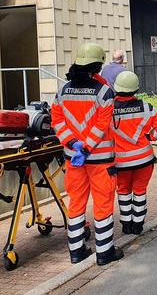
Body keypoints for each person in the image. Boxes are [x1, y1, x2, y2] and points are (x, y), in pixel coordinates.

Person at [52, 43, 123, 265]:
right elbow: (102, 126)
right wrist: (86, 147)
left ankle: (76, 252)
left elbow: (57, 122)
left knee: (76, 203)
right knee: (102, 203)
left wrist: (74, 144)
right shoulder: (104, 92)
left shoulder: (62, 91)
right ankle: (104, 252)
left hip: (73, 159)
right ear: (98, 66)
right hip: (100, 160)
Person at [110, 71, 157, 236]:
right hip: (143, 159)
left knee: (123, 191)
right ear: (136, 89)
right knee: (140, 190)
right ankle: (138, 225)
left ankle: (126, 225)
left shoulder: (108, 109)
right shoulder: (146, 107)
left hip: (120, 162)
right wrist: (150, 136)